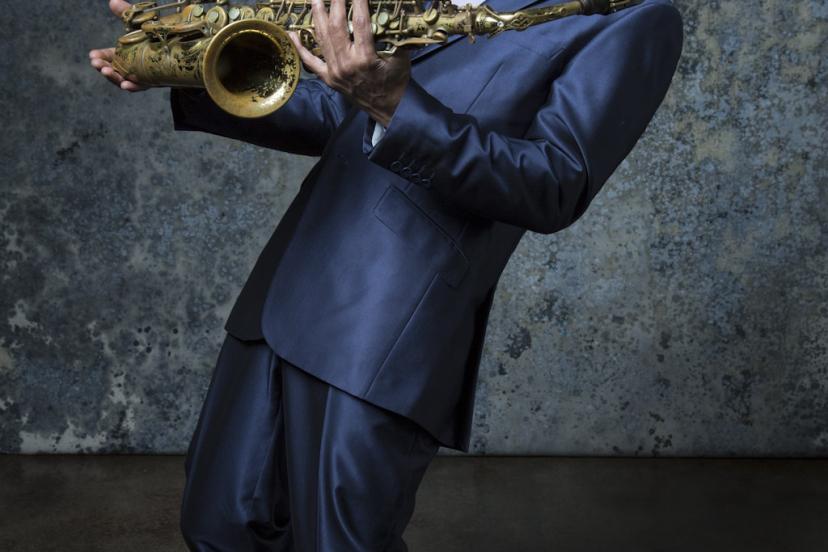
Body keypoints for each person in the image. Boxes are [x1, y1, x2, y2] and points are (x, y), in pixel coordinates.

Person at [90, 0, 683, 549]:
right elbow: (340, 110)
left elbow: (554, 183)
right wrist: (194, 73)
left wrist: (396, 105)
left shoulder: (634, 18)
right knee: (218, 526)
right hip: (287, 286)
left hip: (387, 320)